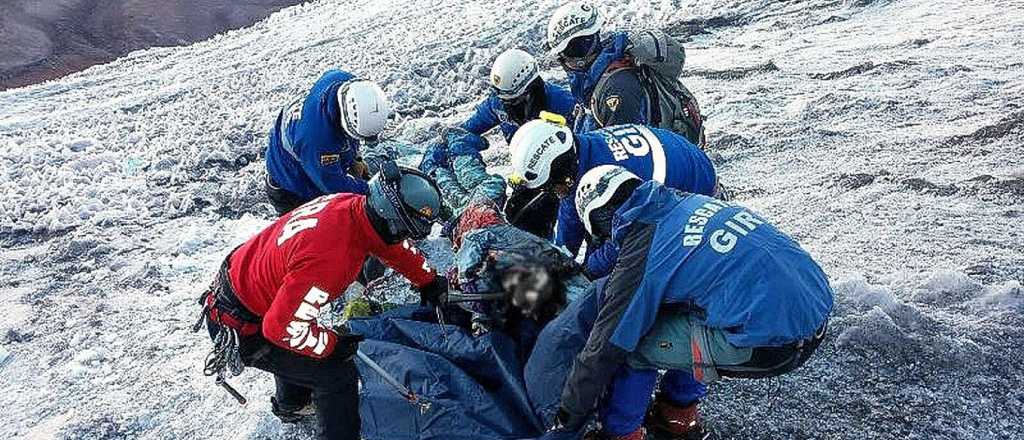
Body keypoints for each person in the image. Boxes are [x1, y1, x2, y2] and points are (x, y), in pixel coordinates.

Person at [547, 166, 834, 439]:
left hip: (776, 343)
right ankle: (676, 410)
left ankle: (624, 432)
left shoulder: (643, 250)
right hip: (817, 310)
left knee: (634, 344)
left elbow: (606, 346)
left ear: (599, 220)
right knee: (683, 313)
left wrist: (567, 416)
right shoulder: (685, 201)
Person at [195, 163, 450, 440]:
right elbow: (281, 329)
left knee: (300, 324)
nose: (404, 237)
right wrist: (331, 345)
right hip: (241, 325)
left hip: (246, 293)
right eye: (405, 230)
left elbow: (387, 244)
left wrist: (426, 279)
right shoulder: (332, 260)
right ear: (393, 223)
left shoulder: (353, 206)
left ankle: (292, 404)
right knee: (336, 375)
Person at [508, 113, 718, 279]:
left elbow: (623, 243)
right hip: (686, 162)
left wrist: (585, 272)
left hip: (695, 192)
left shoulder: (605, 178)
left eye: (552, 186)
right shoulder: (582, 152)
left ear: (562, 168)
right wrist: (561, 256)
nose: (555, 192)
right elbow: (570, 209)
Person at [545, 2, 705, 145]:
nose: (568, 61)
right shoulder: (605, 73)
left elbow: (622, 154)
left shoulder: (616, 89)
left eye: (574, 50)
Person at [265, 69, 391, 215]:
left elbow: (350, 132)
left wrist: (355, 159)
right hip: (291, 188)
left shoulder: (346, 82)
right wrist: (374, 192)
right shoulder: (317, 140)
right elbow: (334, 186)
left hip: (308, 157)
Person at [460, 48, 576, 143]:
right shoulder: (497, 103)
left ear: (530, 89)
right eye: (504, 99)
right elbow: (467, 129)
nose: (507, 105)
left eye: (513, 100)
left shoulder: (563, 103)